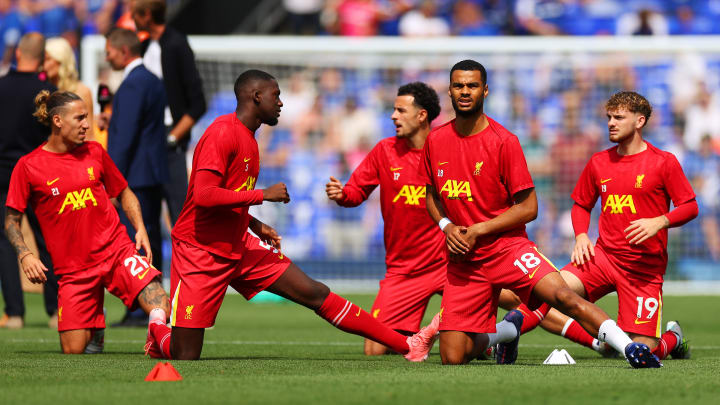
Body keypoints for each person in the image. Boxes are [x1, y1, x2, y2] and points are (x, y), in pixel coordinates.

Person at [144, 69, 438, 361]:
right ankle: (157, 327)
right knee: (185, 353)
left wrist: (254, 224)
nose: (281, 103)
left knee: (314, 291)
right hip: (201, 251)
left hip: (239, 243)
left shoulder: (249, 137)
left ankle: (408, 345)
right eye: (276, 95)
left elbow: (227, 196)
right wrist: (263, 196)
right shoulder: (222, 132)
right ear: (256, 97)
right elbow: (203, 196)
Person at [420, 59, 660, 367]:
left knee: (563, 297)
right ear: (450, 91)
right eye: (458, 86)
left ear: (485, 90)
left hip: (508, 248)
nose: (465, 91)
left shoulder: (503, 141)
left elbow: (529, 208)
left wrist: (479, 229)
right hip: (465, 260)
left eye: (472, 85)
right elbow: (431, 197)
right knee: (454, 356)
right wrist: (446, 225)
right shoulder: (436, 140)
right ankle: (506, 334)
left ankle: (629, 349)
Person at [522, 92, 697, 361]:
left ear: (639, 121)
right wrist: (581, 235)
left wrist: (660, 221)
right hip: (602, 258)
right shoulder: (599, 162)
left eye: (619, 117)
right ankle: (499, 339)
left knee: (644, 350)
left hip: (643, 268)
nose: (611, 123)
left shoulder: (663, 162)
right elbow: (581, 204)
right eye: (609, 118)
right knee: (548, 292)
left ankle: (672, 339)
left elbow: (690, 206)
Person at [4, 89, 171, 354]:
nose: (87, 124)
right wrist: (25, 255)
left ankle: (160, 341)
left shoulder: (95, 151)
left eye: (87, 117)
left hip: (115, 251)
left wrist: (139, 227)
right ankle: (97, 324)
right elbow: (11, 219)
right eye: (80, 118)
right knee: (74, 350)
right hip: (74, 271)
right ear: (57, 121)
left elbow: (124, 192)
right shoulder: (28, 166)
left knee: (160, 299)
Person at [325, 82, 445, 355]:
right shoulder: (385, 151)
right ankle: (422, 334)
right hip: (403, 269)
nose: (393, 116)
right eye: (393, 109)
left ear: (422, 115)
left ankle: (504, 329)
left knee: (508, 294)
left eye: (401, 110)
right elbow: (356, 191)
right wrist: (343, 193)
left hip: (448, 264)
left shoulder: (447, 148)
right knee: (374, 349)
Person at [102, 27, 168, 291]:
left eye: (110, 53)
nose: (107, 58)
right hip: (152, 171)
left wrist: (112, 180)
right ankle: (156, 300)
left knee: (136, 238)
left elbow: (125, 138)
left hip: (134, 176)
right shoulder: (152, 79)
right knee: (150, 235)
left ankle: (141, 305)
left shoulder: (132, 84)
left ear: (124, 51)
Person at [0, 32, 58, 330]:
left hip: (4, 173)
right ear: (41, 54)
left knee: (6, 239)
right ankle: (56, 311)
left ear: (18, 53)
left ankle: (15, 313)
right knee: (47, 238)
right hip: (40, 172)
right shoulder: (47, 91)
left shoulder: (2, 87)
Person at [132, 0, 206, 224]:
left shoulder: (176, 44)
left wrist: (173, 137)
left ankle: (186, 260)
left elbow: (198, 103)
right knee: (146, 214)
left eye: (135, 15)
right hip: (146, 139)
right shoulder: (144, 47)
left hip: (169, 141)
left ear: (146, 15)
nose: (133, 20)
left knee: (180, 216)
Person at [44, 36, 95, 139]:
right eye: (43, 60)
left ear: (62, 60)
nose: (44, 65)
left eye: (48, 59)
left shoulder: (82, 91)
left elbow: (89, 135)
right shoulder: (43, 92)